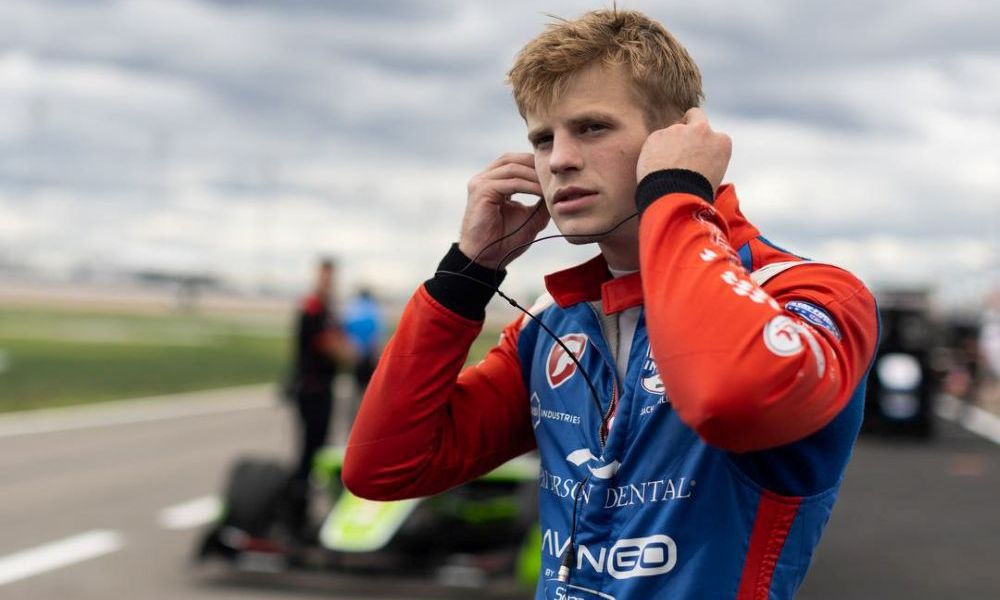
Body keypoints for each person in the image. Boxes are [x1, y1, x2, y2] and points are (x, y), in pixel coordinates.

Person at [343, 9, 879, 599]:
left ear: (676, 138)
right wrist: (468, 273)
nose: (558, 160)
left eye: (592, 128)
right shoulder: (553, 327)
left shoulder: (811, 293)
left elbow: (730, 399)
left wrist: (676, 196)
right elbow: (384, 468)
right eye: (543, 139)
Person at [284, 257, 353, 537]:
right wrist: (353, 356)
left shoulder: (328, 309)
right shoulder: (313, 307)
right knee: (309, 454)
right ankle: (295, 517)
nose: (329, 282)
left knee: (317, 451)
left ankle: (302, 513)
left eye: (332, 277)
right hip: (311, 389)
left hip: (322, 388)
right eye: (325, 276)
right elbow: (332, 346)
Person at [342, 286, 384, 393]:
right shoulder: (373, 308)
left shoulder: (353, 307)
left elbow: (347, 330)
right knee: (369, 385)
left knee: (357, 383)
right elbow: (377, 333)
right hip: (369, 353)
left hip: (356, 353)